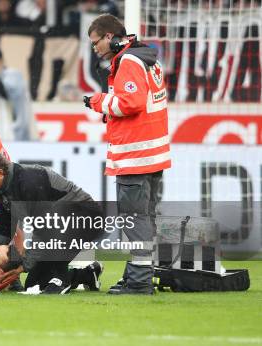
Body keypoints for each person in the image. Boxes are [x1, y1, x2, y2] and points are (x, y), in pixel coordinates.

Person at [84, 14, 170, 295]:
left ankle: (139, 281)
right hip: (152, 153)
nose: (94, 47)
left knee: (135, 220)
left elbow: (129, 103)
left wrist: (97, 101)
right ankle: (138, 274)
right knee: (145, 218)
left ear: (109, 36)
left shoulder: (130, 61)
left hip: (135, 154)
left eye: (95, 41)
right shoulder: (146, 57)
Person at [0, 151, 104, 294]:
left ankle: (61, 280)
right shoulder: (0, 190)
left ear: (0, 172)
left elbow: (45, 232)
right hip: (57, 227)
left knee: (52, 276)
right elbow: (4, 230)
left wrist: (22, 267)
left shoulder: (29, 181)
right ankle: (88, 274)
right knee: (34, 283)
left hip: (85, 218)